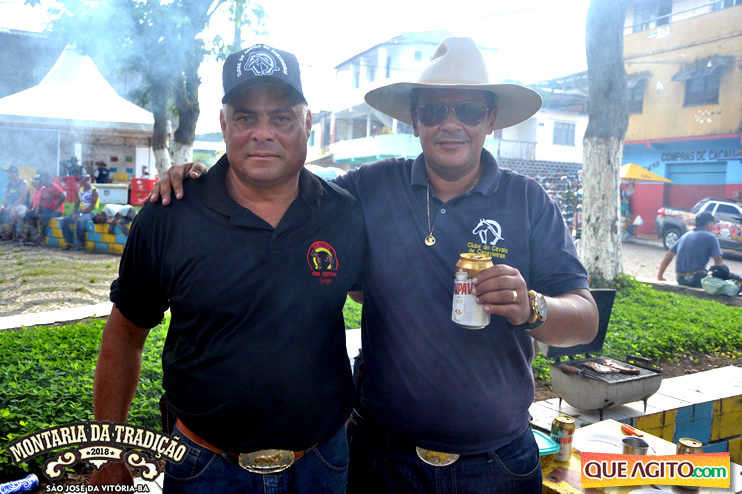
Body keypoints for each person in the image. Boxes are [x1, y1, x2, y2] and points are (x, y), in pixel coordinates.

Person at [151, 37, 598, 493]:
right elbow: (282, 185)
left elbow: (585, 319)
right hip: (384, 458)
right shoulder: (370, 187)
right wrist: (202, 178)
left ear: (491, 119)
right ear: (414, 120)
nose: (451, 124)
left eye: (468, 110)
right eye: (433, 111)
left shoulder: (528, 201)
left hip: (497, 462)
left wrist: (532, 307)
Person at [89, 43, 365, 493]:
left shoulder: (344, 213)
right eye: (245, 118)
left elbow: (371, 295)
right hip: (205, 468)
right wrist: (108, 452)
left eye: (281, 118)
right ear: (223, 124)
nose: (262, 133)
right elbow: (124, 335)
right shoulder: (169, 214)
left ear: (308, 122)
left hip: (321, 464)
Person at [657, 211, 723, 287]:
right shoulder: (711, 237)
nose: (713, 226)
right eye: (713, 223)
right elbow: (718, 260)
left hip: (680, 279)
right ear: (708, 224)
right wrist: (720, 279)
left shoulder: (686, 235)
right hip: (697, 278)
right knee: (730, 277)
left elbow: (669, 254)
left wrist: (660, 275)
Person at [60, 173, 99, 250]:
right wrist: (74, 214)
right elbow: (76, 205)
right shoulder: (79, 191)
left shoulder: (94, 191)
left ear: (90, 180)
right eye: (84, 180)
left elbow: (92, 206)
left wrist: (80, 214)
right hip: (82, 212)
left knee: (79, 221)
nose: (86, 182)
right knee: (64, 221)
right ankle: (69, 243)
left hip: (92, 212)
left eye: (87, 180)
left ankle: (80, 244)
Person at [23, 172, 65, 244]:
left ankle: (41, 236)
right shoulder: (44, 189)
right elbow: (41, 201)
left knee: (43, 217)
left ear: (46, 179)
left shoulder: (55, 187)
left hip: (55, 211)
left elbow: (63, 197)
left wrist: (57, 207)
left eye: (42, 180)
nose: (41, 182)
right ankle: (36, 232)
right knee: (28, 215)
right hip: (45, 209)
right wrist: (37, 209)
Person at [0, 166, 31, 240]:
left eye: (8, 173)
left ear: (14, 173)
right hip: (11, 205)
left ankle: (9, 233)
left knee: (13, 210)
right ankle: (1, 232)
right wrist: (3, 206)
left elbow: (22, 199)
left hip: (23, 205)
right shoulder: (9, 184)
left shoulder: (23, 183)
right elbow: (6, 198)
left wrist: (10, 207)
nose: (7, 174)